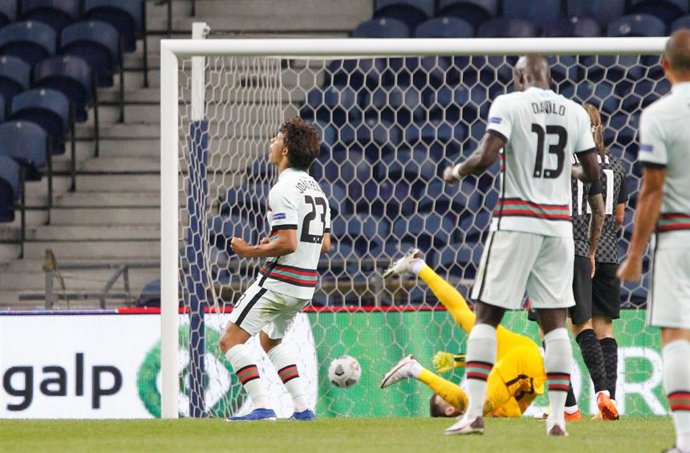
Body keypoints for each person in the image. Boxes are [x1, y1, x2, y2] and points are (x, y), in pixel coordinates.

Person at [441, 55, 600, 436]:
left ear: (518, 77)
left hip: (517, 221)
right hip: (559, 227)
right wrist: (566, 168)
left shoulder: (509, 104)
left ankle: (474, 413)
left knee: (485, 316)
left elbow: (486, 157)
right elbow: (592, 173)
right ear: (549, 76)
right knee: (556, 323)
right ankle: (560, 418)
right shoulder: (574, 111)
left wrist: (456, 171)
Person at [218, 117, 331, 421]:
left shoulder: (282, 189)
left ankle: (262, 406)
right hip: (304, 287)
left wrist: (248, 250)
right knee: (271, 340)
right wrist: (281, 239)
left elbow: (289, 243)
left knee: (229, 340)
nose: (271, 142)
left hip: (278, 282)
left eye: (277, 138)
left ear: (285, 151)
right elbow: (325, 244)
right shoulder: (317, 190)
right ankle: (302, 408)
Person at [618, 30, 690, 453]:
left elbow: (652, 190)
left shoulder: (659, 115)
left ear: (664, 67)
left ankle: (685, 442)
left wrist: (634, 254)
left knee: (677, 336)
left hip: (679, 236)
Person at [379, 249, 546, 419]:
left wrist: (457, 361)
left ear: (449, 411)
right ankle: (418, 266)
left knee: (462, 315)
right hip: (524, 359)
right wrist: (456, 361)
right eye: (445, 393)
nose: (446, 391)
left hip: (525, 361)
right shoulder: (497, 406)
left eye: (443, 393)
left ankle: (413, 369)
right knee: (463, 315)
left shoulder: (492, 403)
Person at [583, 102, 628, 416]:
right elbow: (619, 217)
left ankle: (565, 404)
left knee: (557, 328)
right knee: (604, 329)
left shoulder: (574, 164)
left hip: (576, 251)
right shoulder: (618, 165)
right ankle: (608, 401)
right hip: (610, 255)